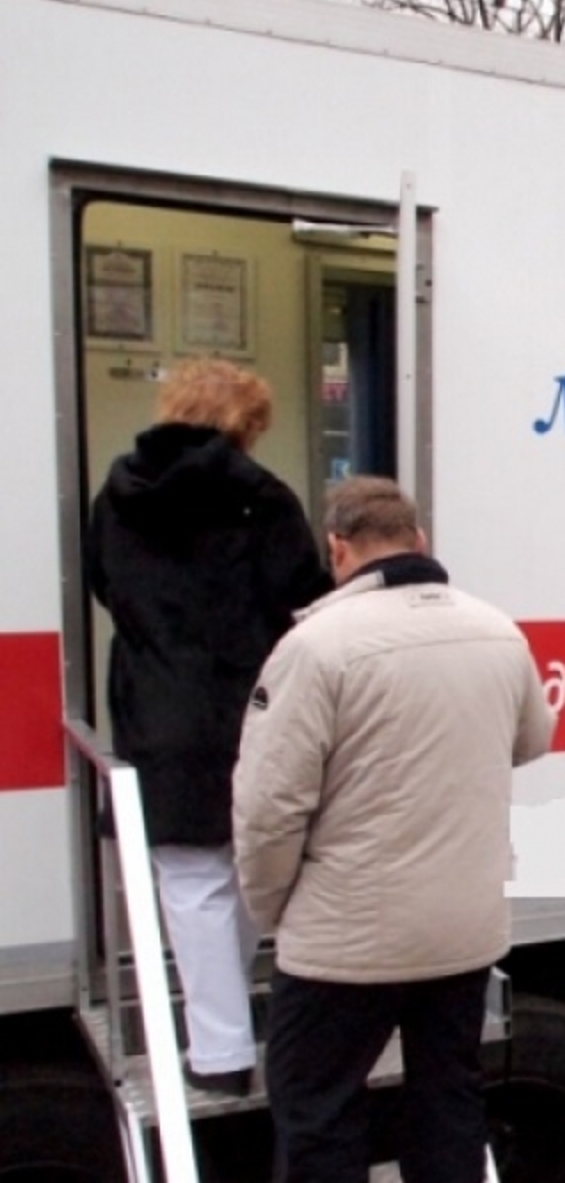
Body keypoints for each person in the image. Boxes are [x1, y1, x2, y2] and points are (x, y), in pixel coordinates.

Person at [233, 476, 555, 1183]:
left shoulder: (314, 647)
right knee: (448, 1101)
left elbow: (268, 808)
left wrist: (271, 908)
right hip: (462, 930)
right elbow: (533, 738)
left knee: (319, 1113)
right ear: (418, 540)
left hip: (344, 941)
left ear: (338, 549)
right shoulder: (497, 630)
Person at [86, 358, 328, 1095]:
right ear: (244, 423)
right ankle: (234, 1035)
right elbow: (305, 596)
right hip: (251, 707)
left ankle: (219, 1056)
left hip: (158, 707)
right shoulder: (262, 498)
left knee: (191, 880)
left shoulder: (118, 495)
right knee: (252, 867)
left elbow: (103, 585)